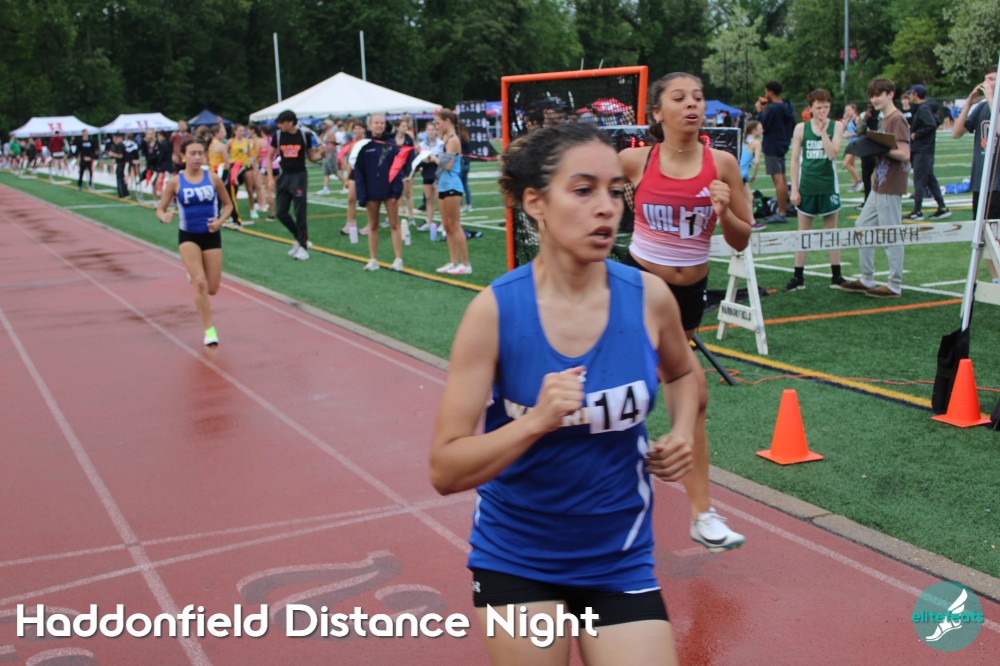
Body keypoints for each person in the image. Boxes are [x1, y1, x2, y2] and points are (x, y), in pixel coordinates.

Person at [429, 122, 700, 665]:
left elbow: (683, 374)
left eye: (615, 191)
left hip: (619, 557)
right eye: (583, 190)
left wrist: (683, 431)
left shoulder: (649, 298)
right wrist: (534, 422)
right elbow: (445, 469)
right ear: (536, 203)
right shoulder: (494, 313)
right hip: (517, 559)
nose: (606, 208)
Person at [620, 72, 753, 551]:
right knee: (690, 391)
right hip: (641, 287)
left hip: (690, 296)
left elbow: (741, 238)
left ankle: (697, 512)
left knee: (674, 394)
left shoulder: (722, 163)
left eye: (698, 97)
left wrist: (725, 211)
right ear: (657, 112)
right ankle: (701, 512)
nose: (692, 105)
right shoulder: (635, 160)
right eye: (679, 98)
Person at [154, 138, 234, 346]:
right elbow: (160, 208)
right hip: (188, 236)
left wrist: (220, 222)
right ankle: (209, 330)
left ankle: (195, 272)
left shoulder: (213, 178)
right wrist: (163, 216)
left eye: (200, 153)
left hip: (211, 235)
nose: (197, 157)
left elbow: (228, 205)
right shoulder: (176, 182)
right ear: (183, 157)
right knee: (200, 284)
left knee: (212, 288)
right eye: (192, 153)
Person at [840, 78, 911, 298]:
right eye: (872, 95)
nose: (874, 99)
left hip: (891, 183)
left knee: (891, 233)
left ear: (891, 94)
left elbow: (904, 153)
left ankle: (895, 283)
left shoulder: (897, 118)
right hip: (879, 183)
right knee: (862, 226)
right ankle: (867, 278)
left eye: (879, 94)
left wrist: (879, 149)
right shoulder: (883, 118)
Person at [786, 89, 846, 291]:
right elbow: (795, 160)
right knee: (803, 231)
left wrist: (823, 132)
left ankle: (836, 275)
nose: (823, 111)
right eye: (819, 107)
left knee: (832, 230)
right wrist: (794, 189)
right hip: (807, 185)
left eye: (826, 107)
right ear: (810, 108)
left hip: (828, 185)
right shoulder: (801, 128)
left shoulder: (837, 126)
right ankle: (798, 276)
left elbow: (832, 154)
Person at [952, 65, 1000, 281]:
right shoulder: (980, 107)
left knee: (997, 232)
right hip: (981, 180)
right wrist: (968, 104)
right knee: (984, 234)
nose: (988, 83)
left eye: (993, 79)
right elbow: (956, 132)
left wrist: (991, 99)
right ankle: (996, 277)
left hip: (998, 181)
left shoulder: (993, 104)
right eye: (987, 79)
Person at [355, 112, 412, 271]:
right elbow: (359, 171)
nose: (379, 125)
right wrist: (362, 194)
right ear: (370, 125)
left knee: (394, 224)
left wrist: (396, 192)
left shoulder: (391, 144)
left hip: (389, 190)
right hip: (371, 191)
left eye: (381, 123)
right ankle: (373, 259)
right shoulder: (363, 145)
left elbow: (398, 168)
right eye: (376, 123)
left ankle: (398, 259)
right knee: (373, 225)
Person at [272, 110, 321, 260]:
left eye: (282, 122)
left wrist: (321, 155)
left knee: (300, 213)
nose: (280, 125)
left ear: (291, 122)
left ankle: (303, 247)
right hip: (284, 176)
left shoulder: (304, 136)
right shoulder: (278, 136)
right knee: (281, 212)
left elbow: (312, 157)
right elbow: (269, 157)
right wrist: (269, 177)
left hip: (299, 177)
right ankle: (300, 239)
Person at [433, 109, 472, 275]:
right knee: (447, 226)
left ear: (447, 121)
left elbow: (448, 166)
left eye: (438, 123)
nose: (437, 126)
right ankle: (453, 261)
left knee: (455, 225)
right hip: (443, 185)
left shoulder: (453, 140)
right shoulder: (445, 139)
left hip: (452, 185)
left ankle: (466, 263)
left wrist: (432, 158)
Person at [905, 84, 949, 221]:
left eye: (911, 94)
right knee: (930, 179)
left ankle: (917, 211)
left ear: (915, 94)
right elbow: (935, 121)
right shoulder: (924, 108)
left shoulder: (923, 108)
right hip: (924, 149)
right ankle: (942, 207)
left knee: (919, 180)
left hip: (922, 150)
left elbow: (931, 124)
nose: (909, 96)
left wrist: (916, 134)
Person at [755, 81, 796, 224]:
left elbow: (763, 126)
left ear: (770, 92)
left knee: (778, 180)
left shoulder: (774, 109)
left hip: (772, 146)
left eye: (766, 91)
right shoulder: (786, 106)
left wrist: (760, 111)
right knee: (782, 179)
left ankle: (781, 212)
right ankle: (784, 209)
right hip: (783, 144)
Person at [739, 119, 763, 226]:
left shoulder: (741, 141)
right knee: (748, 198)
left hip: (734, 171)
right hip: (742, 174)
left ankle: (720, 220)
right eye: (760, 128)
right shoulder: (756, 143)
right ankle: (751, 222)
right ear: (754, 130)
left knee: (745, 197)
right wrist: (754, 175)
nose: (762, 130)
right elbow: (757, 161)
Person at [842, 104, 863, 192]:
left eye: (849, 110)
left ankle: (859, 180)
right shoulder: (849, 120)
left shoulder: (857, 119)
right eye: (846, 110)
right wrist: (844, 122)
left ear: (854, 110)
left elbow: (860, 132)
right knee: (852, 164)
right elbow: (843, 130)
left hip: (856, 144)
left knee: (845, 164)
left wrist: (850, 135)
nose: (847, 112)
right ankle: (856, 183)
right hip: (850, 143)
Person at [107, 134, 130, 199]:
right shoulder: (120, 145)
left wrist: (112, 154)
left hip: (121, 164)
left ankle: (122, 194)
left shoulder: (120, 145)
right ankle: (124, 193)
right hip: (121, 163)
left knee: (120, 179)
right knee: (121, 179)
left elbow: (120, 156)